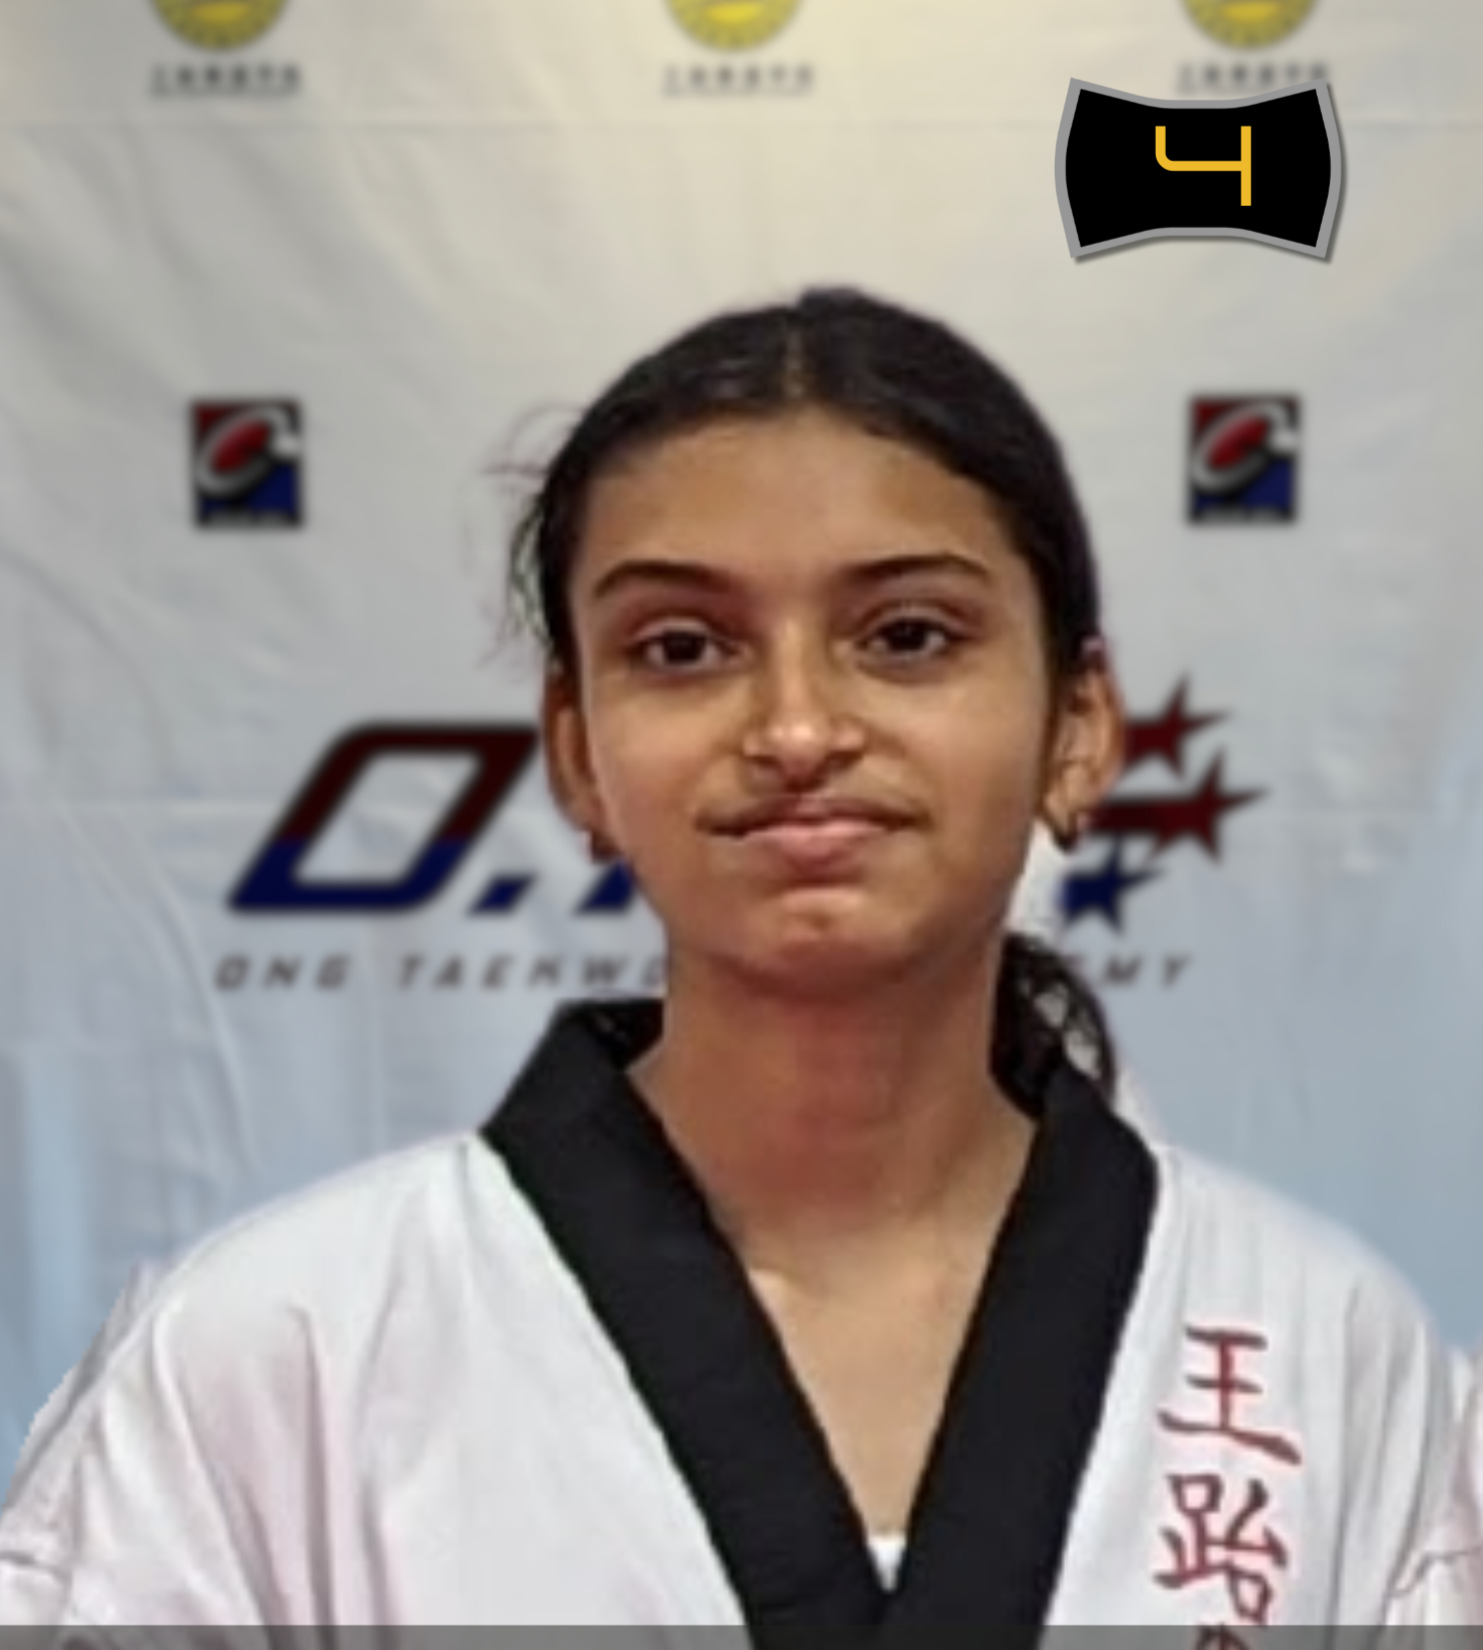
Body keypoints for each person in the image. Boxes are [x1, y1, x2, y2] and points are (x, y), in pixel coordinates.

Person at [0, 288, 1472, 1631]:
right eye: (682, 648)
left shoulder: (1318, 1351)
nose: (794, 729)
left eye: (904, 634)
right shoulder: (280, 1350)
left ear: (1078, 726)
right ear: (579, 753)